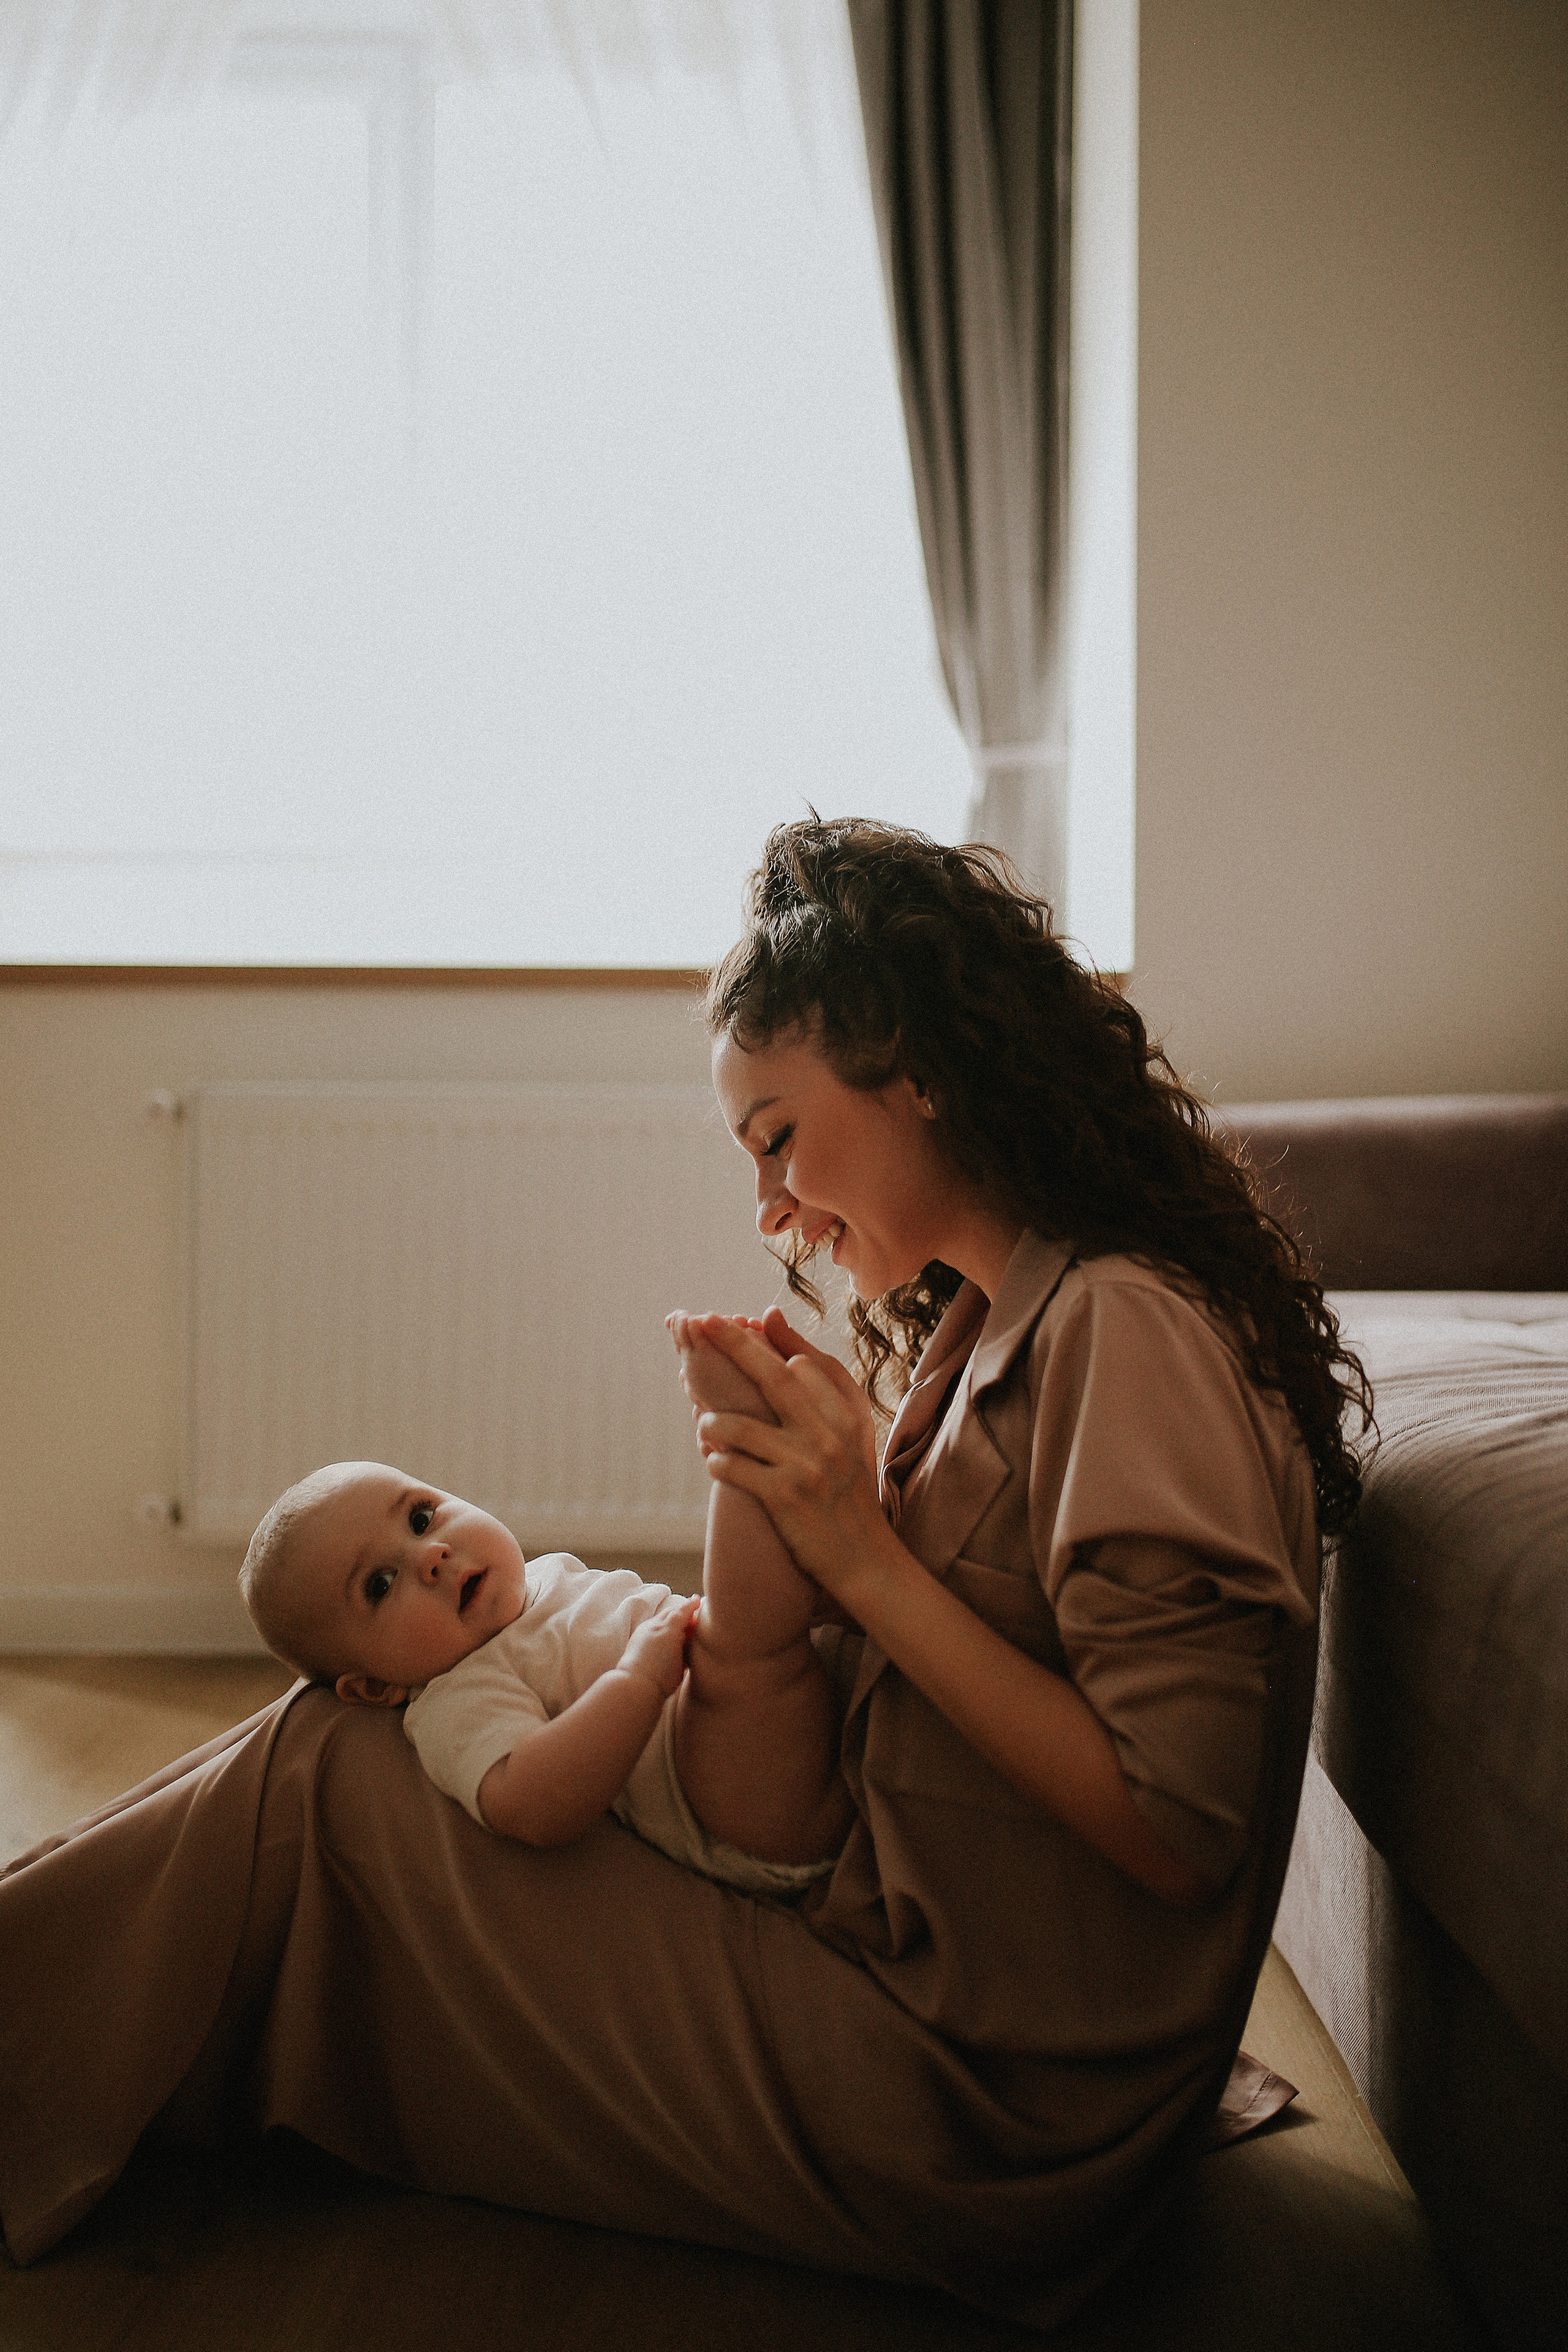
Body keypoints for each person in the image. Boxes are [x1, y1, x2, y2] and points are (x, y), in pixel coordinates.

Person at [0, 816, 1370, 2331]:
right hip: (893, 1950)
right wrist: (817, 1516)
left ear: (916, 1069)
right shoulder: (994, 1323)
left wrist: (860, 1554)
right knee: (351, 1743)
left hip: (981, 2100)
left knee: (333, 1768)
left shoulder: (1119, 1325)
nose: (769, 1207)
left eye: (777, 1137)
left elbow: (1178, 1829)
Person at [236, 1349, 855, 1893]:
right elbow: (530, 1803)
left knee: (788, 1622)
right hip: (736, 1803)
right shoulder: (457, 1697)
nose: (430, 1556)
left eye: (421, 1518)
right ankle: (746, 1436)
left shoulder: (544, 1577)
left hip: (794, 1718)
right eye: (380, 1583)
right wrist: (637, 1682)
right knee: (747, 1641)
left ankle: (781, 1461)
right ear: (375, 1687)